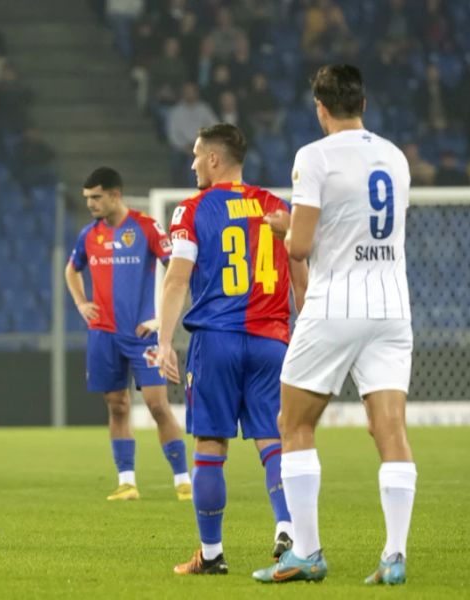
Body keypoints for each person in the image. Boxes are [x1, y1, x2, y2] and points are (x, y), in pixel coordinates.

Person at [252, 64, 416, 586]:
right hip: (391, 304)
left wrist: (283, 227)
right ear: (363, 103)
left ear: (320, 107)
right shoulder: (394, 155)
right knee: (389, 430)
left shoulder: (314, 156)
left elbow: (300, 246)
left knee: (295, 424)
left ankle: (305, 551)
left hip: (336, 302)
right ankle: (393, 556)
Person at [156, 124, 308, 575]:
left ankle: (213, 553)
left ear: (215, 160)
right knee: (273, 439)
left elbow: (177, 279)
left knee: (210, 444)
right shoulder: (277, 208)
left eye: (197, 155)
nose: (193, 163)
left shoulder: (192, 210)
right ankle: (287, 528)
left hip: (217, 341)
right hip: (271, 342)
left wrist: (163, 342)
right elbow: (302, 282)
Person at [65, 167, 192, 502]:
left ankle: (183, 479)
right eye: (87, 198)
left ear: (115, 195)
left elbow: (176, 268)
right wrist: (81, 303)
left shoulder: (145, 227)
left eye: (96, 197)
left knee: (157, 405)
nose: (91, 204)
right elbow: (71, 269)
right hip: (103, 335)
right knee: (117, 405)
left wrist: (158, 320)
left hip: (142, 334)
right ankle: (127, 482)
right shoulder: (89, 235)